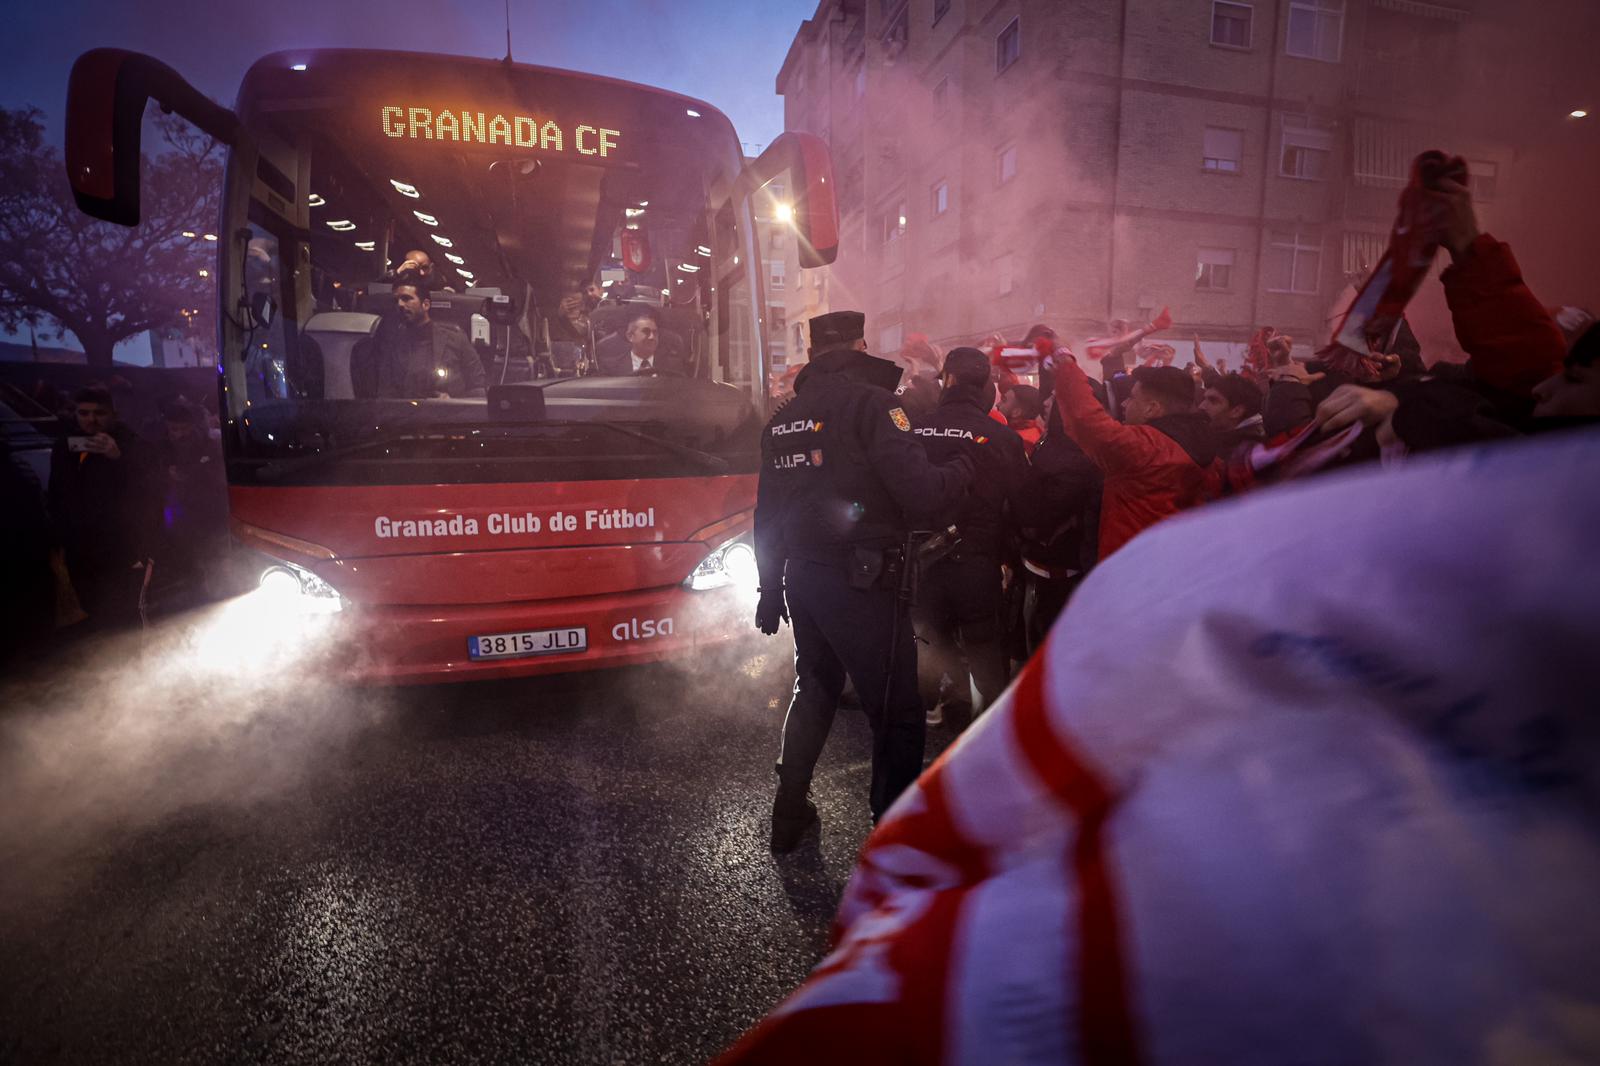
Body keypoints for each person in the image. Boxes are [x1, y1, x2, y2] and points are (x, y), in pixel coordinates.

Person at [753, 310, 973, 852]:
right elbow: (921, 494)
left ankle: (789, 815)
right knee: (897, 713)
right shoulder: (875, 404)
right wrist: (964, 471)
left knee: (815, 689)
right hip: (863, 581)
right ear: (860, 345)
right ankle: (893, 844)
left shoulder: (784, 417)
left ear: (813, 352)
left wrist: (769, 587)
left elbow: (767, 514)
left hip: (803, 578)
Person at [910, 348, 1031, 728]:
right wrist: (1010, 556)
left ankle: (919, 726)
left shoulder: (916, 430)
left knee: (927, 644)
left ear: (947, 379)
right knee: (983, 650)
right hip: (979, 563)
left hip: (923, 563)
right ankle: (991, 737)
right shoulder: (1002, 437)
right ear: (986, 388)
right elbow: (1022, 504)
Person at [1054, 359, 1217, 560]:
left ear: (1152, 409)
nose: (1124, 404)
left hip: (1131, 568)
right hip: (1176, 562)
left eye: (1131, 398)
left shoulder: (1148, 448)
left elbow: (1085, 421)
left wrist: (1063, 360)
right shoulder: (1205, 445)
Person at [46, 385, 156, 630]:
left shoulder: (130, 442)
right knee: (93, 611)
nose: (91, 419)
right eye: (83, 413)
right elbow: (57, 493)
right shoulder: (65, 446)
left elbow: (150, 488)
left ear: (113, 414)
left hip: (120, 546)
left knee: (124, 615)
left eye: (99, 413)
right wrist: (58, 536)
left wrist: (118, 458)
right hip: (80, 548)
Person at [352, 281, 487, 399]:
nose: (400, 304)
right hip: (403, 420)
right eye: (396, 300)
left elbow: (479, 387)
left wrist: (452, 402)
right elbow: (382, 393)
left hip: (447, 420)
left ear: (426, 305)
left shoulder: (455, 339)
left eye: (406, 299)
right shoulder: (388, 344)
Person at [594, 307, 688, 376]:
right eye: (646, 332)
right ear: (630, 336)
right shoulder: (611, 368)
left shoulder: (673, 367)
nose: (652, 337)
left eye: (655, 332)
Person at [1198, 373, 1266, 452]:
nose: (1201, 406)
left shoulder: (1247, 453)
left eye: (1213, 401)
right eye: (1204, 399)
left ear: (1237, 411)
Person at [997, 383, 1045, 455]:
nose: (997, 404)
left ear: (1016, 412)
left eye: (1004, 400)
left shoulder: (1023, 442)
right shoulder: (1021, 433)